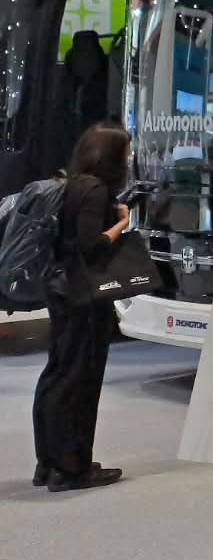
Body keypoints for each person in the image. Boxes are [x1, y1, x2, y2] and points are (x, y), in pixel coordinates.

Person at [31, 122, 132, 492]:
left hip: (60, 290)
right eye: (125, 153)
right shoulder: (96, 191)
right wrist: (121, 223)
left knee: (57, 375)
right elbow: (91, 245)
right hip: (83, 295)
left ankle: (48, 463)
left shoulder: (70, 183)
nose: (129, 159)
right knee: (80, 379)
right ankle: (72, 468)